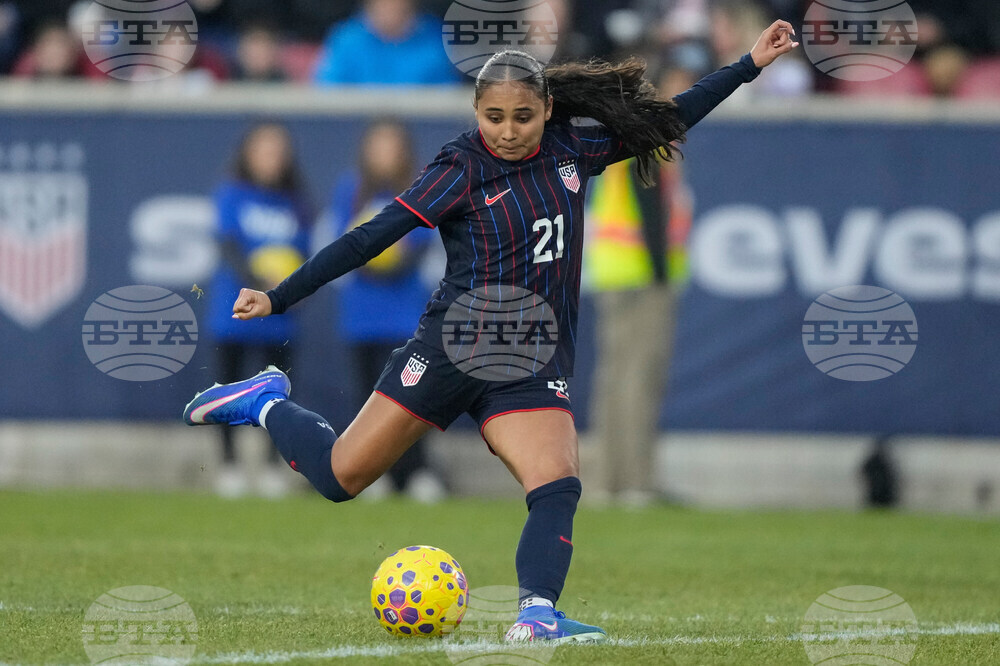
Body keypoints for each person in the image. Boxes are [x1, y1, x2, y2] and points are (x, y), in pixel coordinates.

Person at [184, 21, 798, 642]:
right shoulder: (459, 167)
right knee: (341, 478)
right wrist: (280, 295)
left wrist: (749, 62)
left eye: (523, 117)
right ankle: (264, 402)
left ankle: (536, 615)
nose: (507, 131)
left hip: (529, 361)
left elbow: (668, 117)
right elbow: (369, 238)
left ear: (547, 109)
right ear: (477, 111)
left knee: (556, 484)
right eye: (494, 117)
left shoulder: (572, 150)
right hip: (450, 349)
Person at [583, 56, 700, 507]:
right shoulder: (650, 139)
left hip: (616, 273)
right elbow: (651, 210)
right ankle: (634, 481)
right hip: (641, 276)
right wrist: (659, 272)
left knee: (615, 379)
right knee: (637, 379)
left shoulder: (626, 135)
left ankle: (608, 481)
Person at [327, 118, 446, 502]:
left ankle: (415, 472)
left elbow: (423, 242)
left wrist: (394, 262)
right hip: (362, 313)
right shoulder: (351, 190)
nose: (384, 153)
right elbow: (342, 244)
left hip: (405, 312)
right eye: (377, 144)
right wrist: (368, 260)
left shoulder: (418, 187)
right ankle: (369, 474)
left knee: (411, 399)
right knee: (368, 399)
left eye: (391, 145)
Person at [206, 122, 311, 498]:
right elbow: (229, 245)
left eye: (278, 150)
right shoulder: (232, 193)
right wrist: (261, 279)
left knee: (276, 395)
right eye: (264, 149)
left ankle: (270, 466)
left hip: (279, 315)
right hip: (234, 310)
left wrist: (288, 291)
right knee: (226, 391)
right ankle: (229, 464)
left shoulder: (296, 203)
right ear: (247, 153)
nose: (272, 158)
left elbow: (306, 257)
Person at [312, 0, 458, 86]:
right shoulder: (345, 39)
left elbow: (445, 98)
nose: (390, 5)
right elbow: (327, 93)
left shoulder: (436, 40)